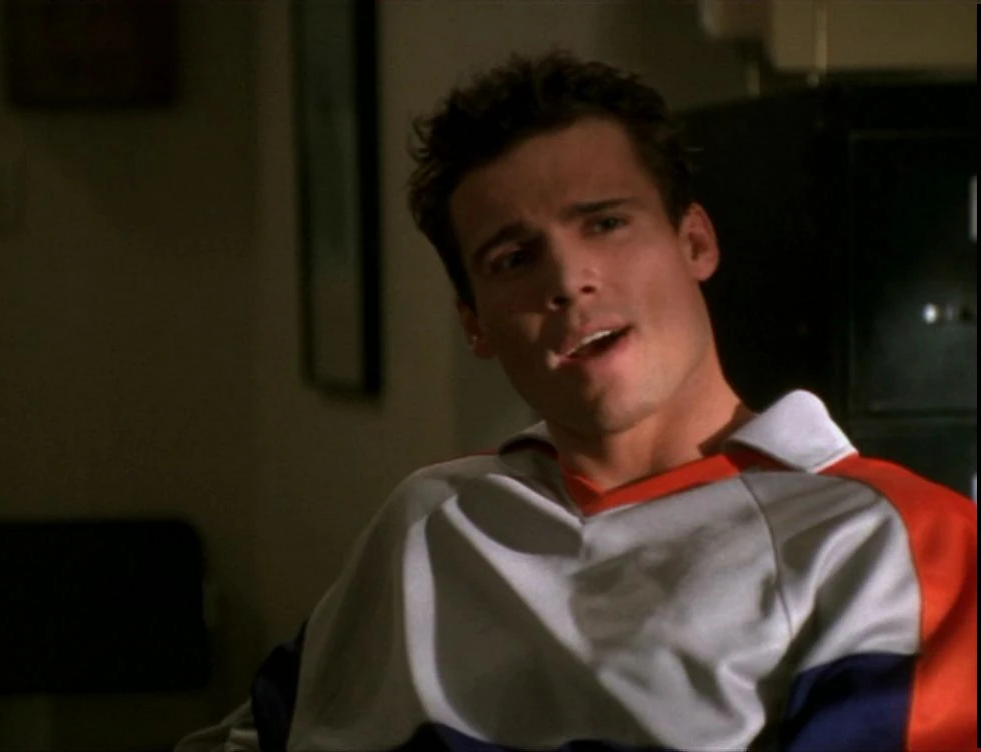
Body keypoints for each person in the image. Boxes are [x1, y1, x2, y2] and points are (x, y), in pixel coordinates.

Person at [177, 51, 976, 751]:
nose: (567, 281)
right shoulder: (428, 522)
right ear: (474, 323)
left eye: (605, 224)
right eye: (514, 258)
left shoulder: (896, 546)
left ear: (695, 241)